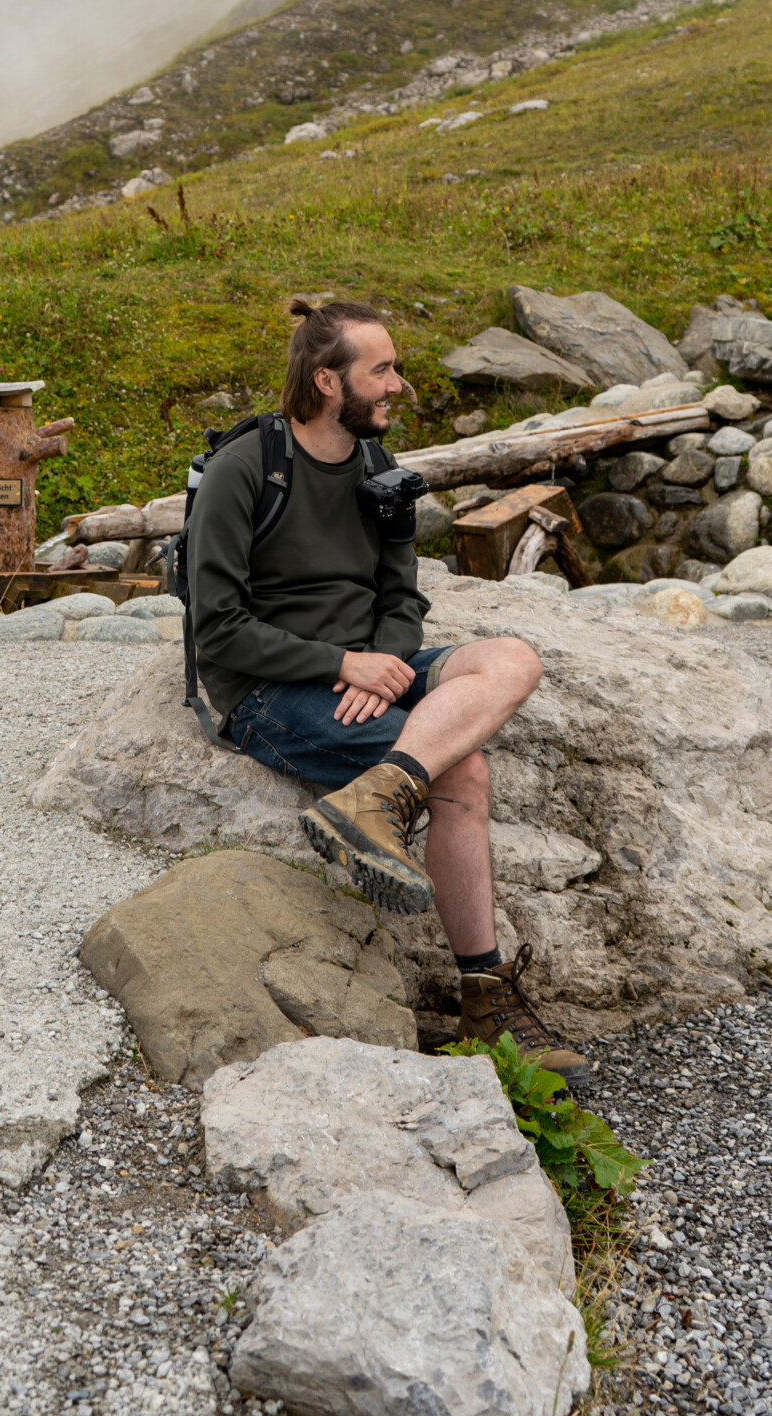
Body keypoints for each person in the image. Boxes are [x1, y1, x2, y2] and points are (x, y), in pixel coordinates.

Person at [186, 295, 590, 1087]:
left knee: (511, 658)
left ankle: (376, 795)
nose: (399, 385)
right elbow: (217, 632)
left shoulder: (379, 472)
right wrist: (345, 667)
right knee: (463, 771)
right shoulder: (246, 469)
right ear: (327, 381)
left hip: (370, 670)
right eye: (382, 369)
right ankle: (485, 996)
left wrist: (388, 664)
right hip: (269, 692)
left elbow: (400, 597)